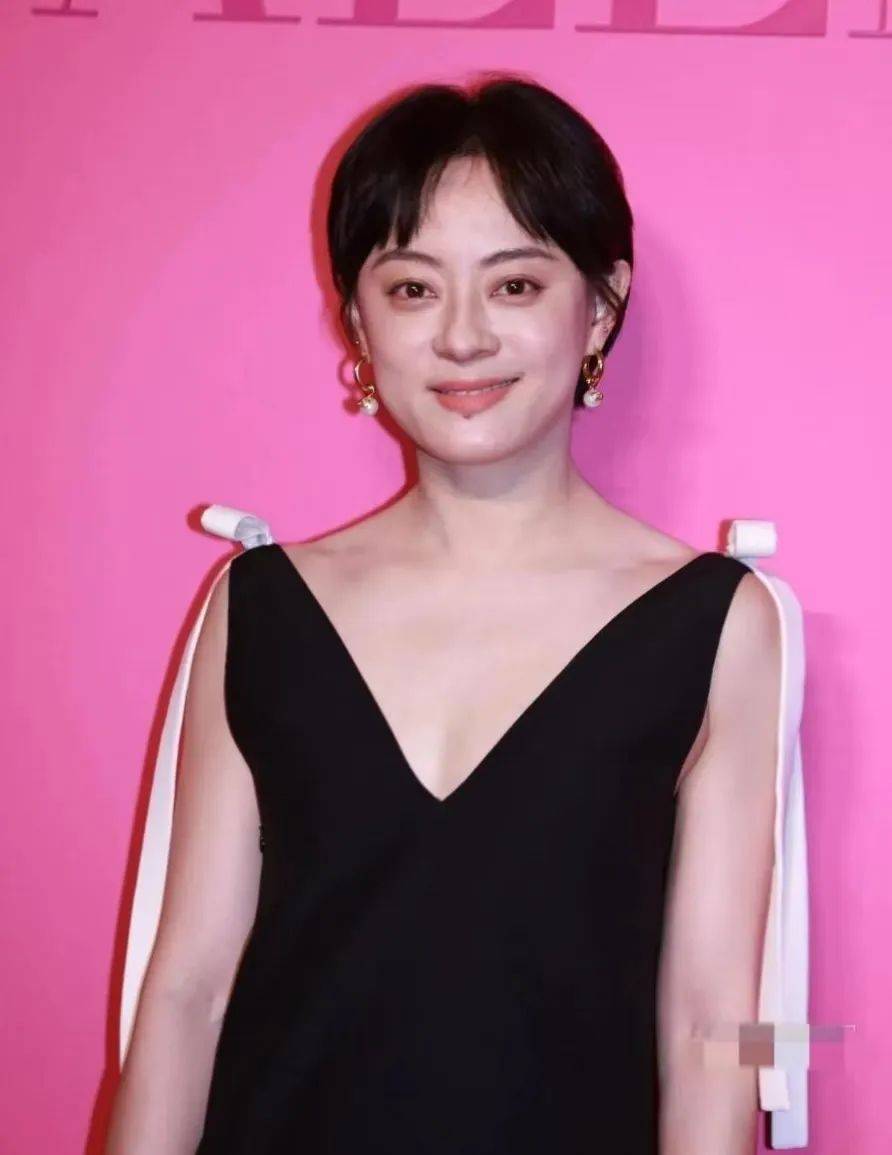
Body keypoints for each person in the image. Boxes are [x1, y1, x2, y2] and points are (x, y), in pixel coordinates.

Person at [105, 74, 780, 1155]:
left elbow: (715, 1025)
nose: (463, 337)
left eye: (514, 285)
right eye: (413, 288)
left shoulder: (715, 625)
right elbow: (187, 991)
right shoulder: (263, 607)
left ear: (601, 304)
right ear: (357, 318)